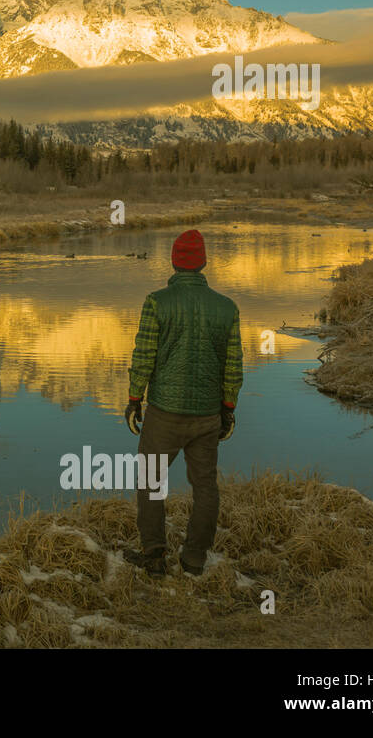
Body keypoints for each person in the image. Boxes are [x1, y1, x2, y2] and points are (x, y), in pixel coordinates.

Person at [122, 229, 242, 577]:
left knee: (150, 480)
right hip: (207, 415)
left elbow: (143, 354)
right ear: (203, 263)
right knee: (205, 486)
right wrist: (228, 409)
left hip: (165, 414)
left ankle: (155, 555)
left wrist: (134, 399)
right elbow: (233, 365)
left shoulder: (157, 302)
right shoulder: (227, 308)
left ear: (174, 262)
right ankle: (194, 559)